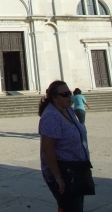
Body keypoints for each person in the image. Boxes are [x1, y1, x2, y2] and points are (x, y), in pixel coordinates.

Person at [38, 80, 91, 212]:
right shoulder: (51, 116)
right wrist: (58, 177)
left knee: (76, 206)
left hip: (77, 169)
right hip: (65, 172)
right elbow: (47, 149)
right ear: (54, 98)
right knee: (71, 207)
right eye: (65, 94)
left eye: (70, 93)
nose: (69, 96)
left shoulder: (68, 111)